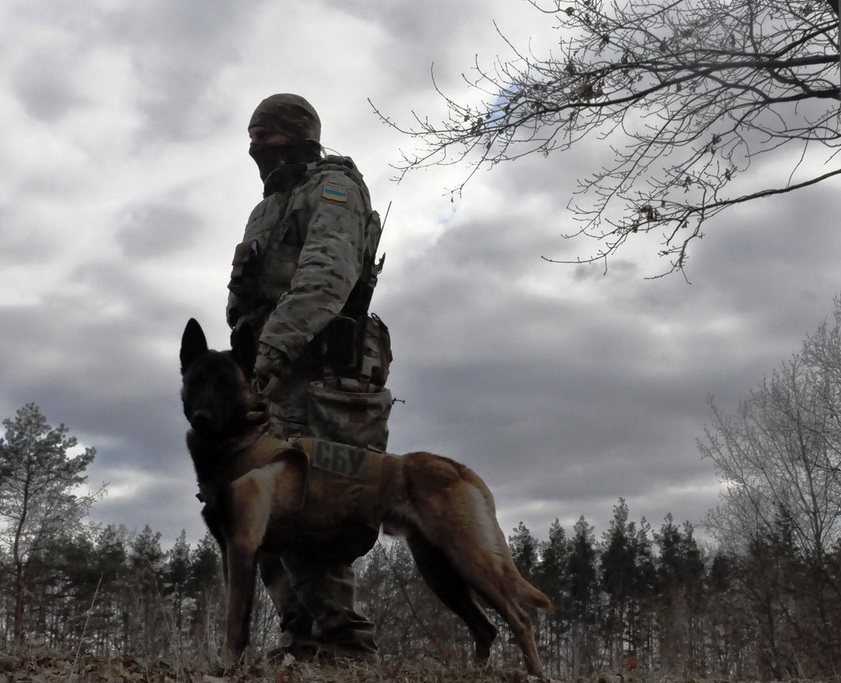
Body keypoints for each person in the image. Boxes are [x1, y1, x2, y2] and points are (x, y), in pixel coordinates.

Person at [225, 93, 393, 662]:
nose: (256, 145)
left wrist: (273, 348)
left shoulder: (333, 189)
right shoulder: (268, 206)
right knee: (264, 508)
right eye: (251, 134)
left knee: (317, 509)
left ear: (299, 135)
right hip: (268, 376)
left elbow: (328, 275)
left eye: (267, 134)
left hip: (319, 377)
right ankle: (300, 640)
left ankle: (344, 646)